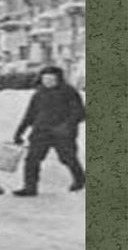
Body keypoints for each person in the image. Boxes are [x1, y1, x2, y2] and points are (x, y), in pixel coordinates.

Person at [11, 65, 86, 196]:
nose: (48, 82)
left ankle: (79, 180)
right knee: (32, 159)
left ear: (58, 79)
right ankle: (30, 187)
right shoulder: (39, 94)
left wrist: (66, 126)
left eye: (51, 79)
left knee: (68, 158)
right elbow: (29, 114)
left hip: (63, 134)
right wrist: (19, 132)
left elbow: (79, 113)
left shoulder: (69, 92)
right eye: (45, 79)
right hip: (40, 132)